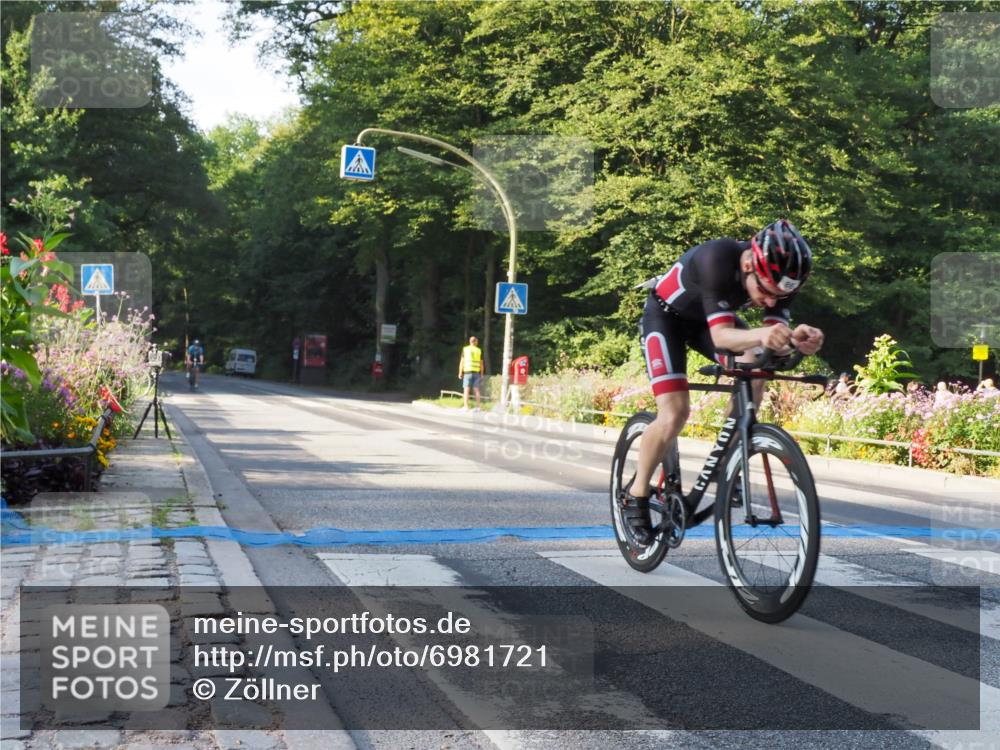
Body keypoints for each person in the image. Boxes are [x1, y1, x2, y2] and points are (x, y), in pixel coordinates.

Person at [627, 220, 825, 545]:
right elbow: (721, 337)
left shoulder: (780, 280)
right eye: (766, 293)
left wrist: (796, 341)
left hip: (709, 323)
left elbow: (773, 344)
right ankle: (636, 495)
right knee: (674, 414)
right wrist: (765, 334)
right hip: (666, 319)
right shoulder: (716, 258)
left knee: (757, 369)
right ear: (748, 266)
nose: (771, 303)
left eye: (780, 296)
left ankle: (727, 463)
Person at [458, 335, 484, 410]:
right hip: (476, 373)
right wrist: (482, 374)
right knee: (476, 390)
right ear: (476, 342)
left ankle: (466, 407)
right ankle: (478, 407)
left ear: (470, 341)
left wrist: (460, 372)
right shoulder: (479, 350)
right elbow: (481, 364)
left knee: (466, 390)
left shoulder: (465, 349)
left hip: (467, 372)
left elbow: (462, 362)